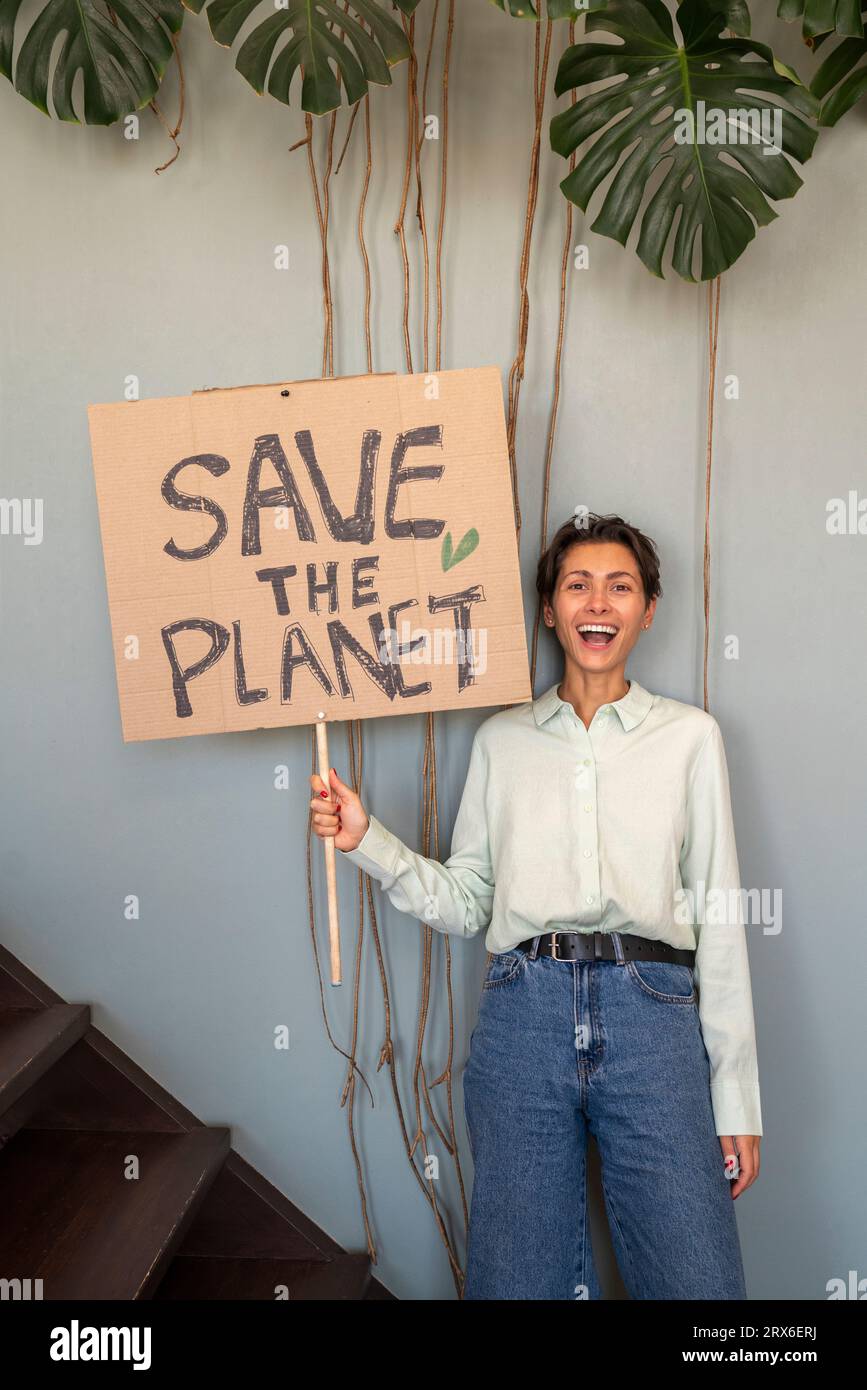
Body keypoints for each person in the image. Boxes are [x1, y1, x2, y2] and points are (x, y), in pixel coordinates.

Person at [309, 512, 761, 1300]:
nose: (598, 602)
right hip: (523, 1016)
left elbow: (719, 918)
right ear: (549, 608)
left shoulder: (689, 739)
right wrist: (364, 839)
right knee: (515, 1282)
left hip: (653, 1015)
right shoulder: (501, 742)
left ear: (647, 608)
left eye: (619, 586)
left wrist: (736, 1098)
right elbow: (466, 900)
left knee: (699, 1284)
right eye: (576, 584)